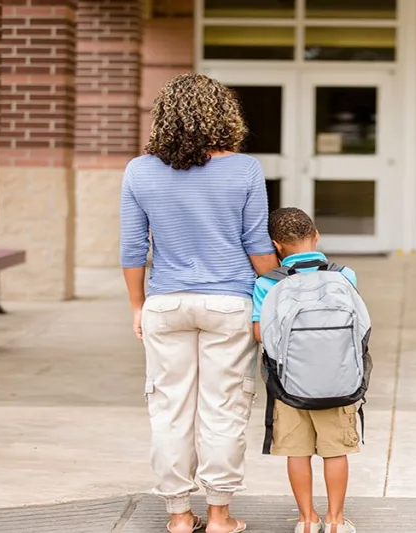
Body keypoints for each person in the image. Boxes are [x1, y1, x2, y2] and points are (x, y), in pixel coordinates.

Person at [120, 73, 280, 533]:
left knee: (169, 409)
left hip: (166, 303)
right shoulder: (245, 169)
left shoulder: (139, 170)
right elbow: (256, 244)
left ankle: (176, 514)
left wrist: (137, 306)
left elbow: (133, 247)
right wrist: (274, 291)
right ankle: (219, 516)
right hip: (229, 302)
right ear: (222, 113)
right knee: (224, 407)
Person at [252, 207, 361, 533]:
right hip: (338, 381)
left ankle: (306, 520)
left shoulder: (267, 282)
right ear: (316, 236)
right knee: (336, 451)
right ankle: (336, 521)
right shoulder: (344, 275)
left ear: (276, 245)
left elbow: (260, 334)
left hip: (290, 384)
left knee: (297, 452)